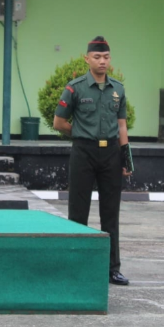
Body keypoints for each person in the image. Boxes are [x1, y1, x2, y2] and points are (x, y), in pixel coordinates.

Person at [53, 36, 132, 286]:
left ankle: (112, 269)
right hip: (83, 153)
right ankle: (76, 267)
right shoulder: (75, 88)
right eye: (97, 57)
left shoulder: (118, 89)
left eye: (106, 57)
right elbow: (59, 122)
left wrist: (126, 157)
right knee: (78, 212)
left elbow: (121, 125)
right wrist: (80, 134)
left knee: (111, 213)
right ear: (87, 59)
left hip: (111, 154)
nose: (102, 61)